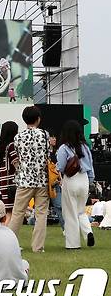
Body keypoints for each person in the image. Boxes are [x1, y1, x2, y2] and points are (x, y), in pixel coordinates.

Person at [8, 106, 50, 253]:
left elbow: (18, 156)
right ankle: (38, 247)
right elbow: (47, 155)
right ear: (38, 119)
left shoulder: (18, 137)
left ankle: (9, 244)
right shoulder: (44, 134)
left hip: (24, 179)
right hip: (42, 180)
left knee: (18, 212)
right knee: (41, 214)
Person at [56, 120, 95, 249]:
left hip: (71, 179)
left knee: (70, 213)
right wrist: (90, 181)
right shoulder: (85, 147)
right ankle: (88, 232)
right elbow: (91, 168)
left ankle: (73, 244)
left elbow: (61, 167)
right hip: (84, 179)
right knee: (81, 211)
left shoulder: (64, 148)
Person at [0, 121, 19, 225]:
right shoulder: (11, 146)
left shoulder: (2, 146)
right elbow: (16, 164)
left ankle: (3, 230)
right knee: (12, 212)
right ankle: (6, 231)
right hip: (11, 182)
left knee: (8, 211)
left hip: (4, 182)